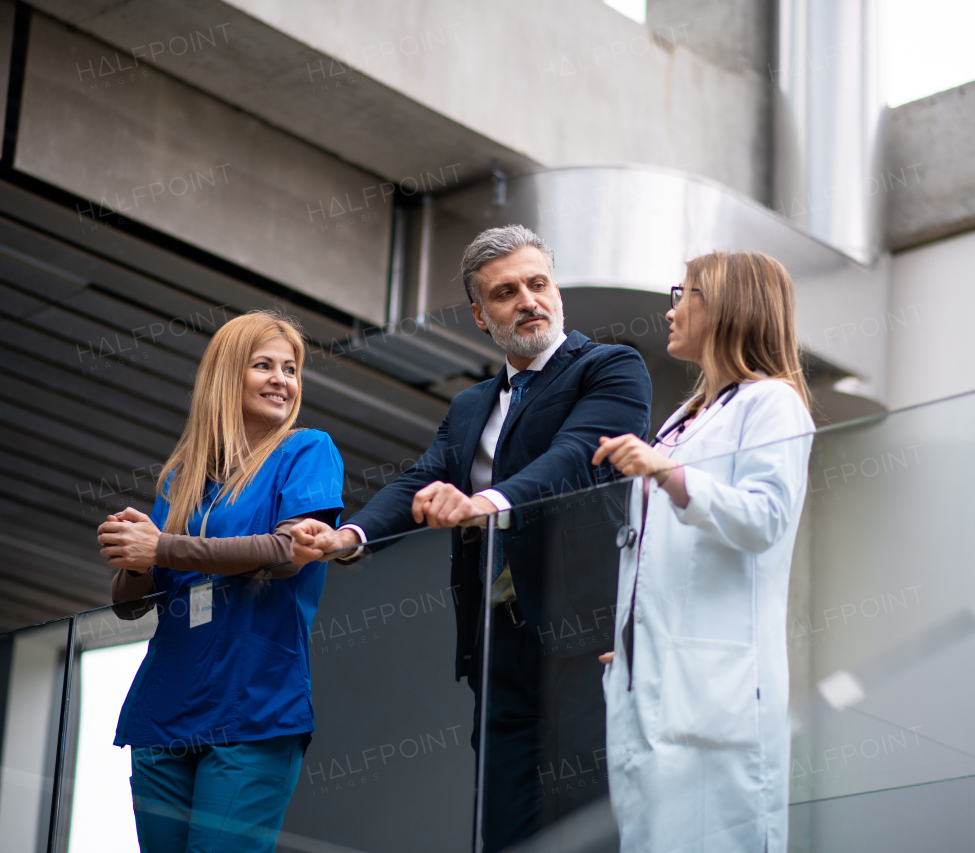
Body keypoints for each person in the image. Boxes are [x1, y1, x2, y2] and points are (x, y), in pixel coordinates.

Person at [290, 224, 652, 852]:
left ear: (558, 291)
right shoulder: (470, 405)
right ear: (483, 318)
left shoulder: (611, 367)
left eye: (538, 284)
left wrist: (482, 503)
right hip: (496, 643)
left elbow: (575, 458)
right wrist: (350, 535)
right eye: (506, 293)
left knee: (586, 822)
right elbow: (422, 480)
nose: (528, 301)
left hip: (584, 638)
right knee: (502, 826)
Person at [97, 310, 344, 852]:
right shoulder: (184, 477)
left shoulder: (307, 450)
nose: (282, 379)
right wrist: (134, 556)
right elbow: (130, 604)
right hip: (163, 711)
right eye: (264, 366)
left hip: (254, 708)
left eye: (290, 369)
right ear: (226, 377)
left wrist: (160, 545)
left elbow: (287, 552)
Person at [593, 251, 814, 853]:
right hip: (653, 677)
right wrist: (640, 633)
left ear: (725, 306)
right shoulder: (683, 419)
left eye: (683, 293)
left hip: (716, 692)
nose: (669, 310)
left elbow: (765, 518)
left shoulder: (773, 403)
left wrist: (669, 475)